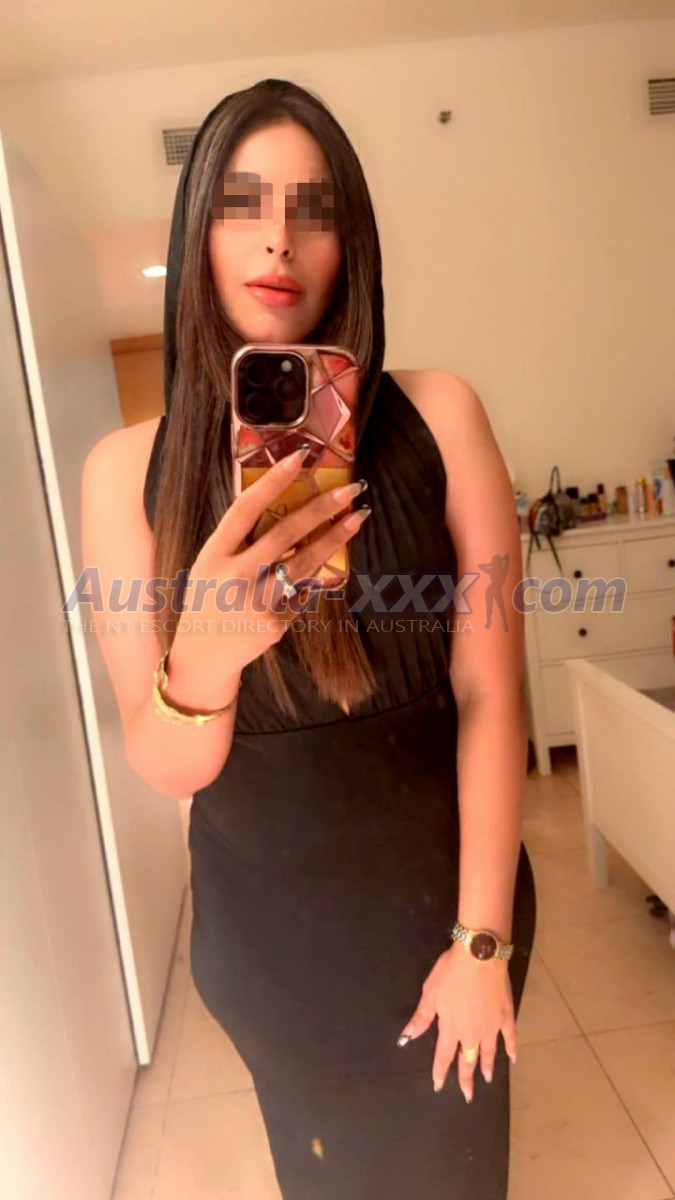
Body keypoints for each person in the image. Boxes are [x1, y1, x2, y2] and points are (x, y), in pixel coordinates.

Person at [81, 78, 536, 1199]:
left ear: (350, 243)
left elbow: (491, 693)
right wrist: (205, 655)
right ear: (198, 232)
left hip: (448, 915)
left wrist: (482, 944)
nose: (278, 236)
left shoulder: (440, 417)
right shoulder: (123, 473)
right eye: (242, 203)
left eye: (312, 208)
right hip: (271, 952)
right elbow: (166, 763)